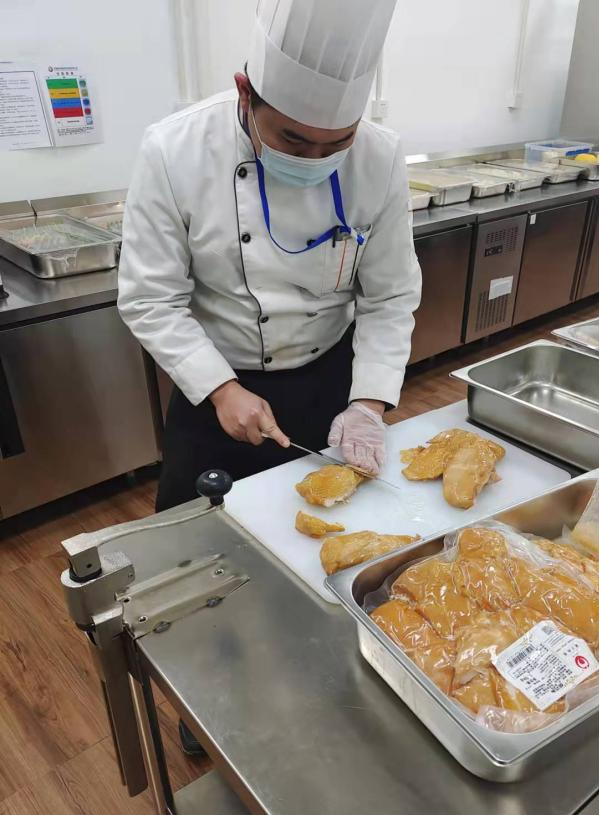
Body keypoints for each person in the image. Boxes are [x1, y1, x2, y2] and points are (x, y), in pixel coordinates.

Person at [118, 0, 421, 753]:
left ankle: (322, 681)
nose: (314, 157)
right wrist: (220, 388)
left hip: (327, 383)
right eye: (292, 138)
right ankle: (205, 704)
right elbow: (150, 298)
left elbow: (389, 296)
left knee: (328, 548)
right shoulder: (173, 151)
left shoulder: (380, 158)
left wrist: (368, 403)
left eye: (335, 143)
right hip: (214, 385)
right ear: (244, 92)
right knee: (201, 559)